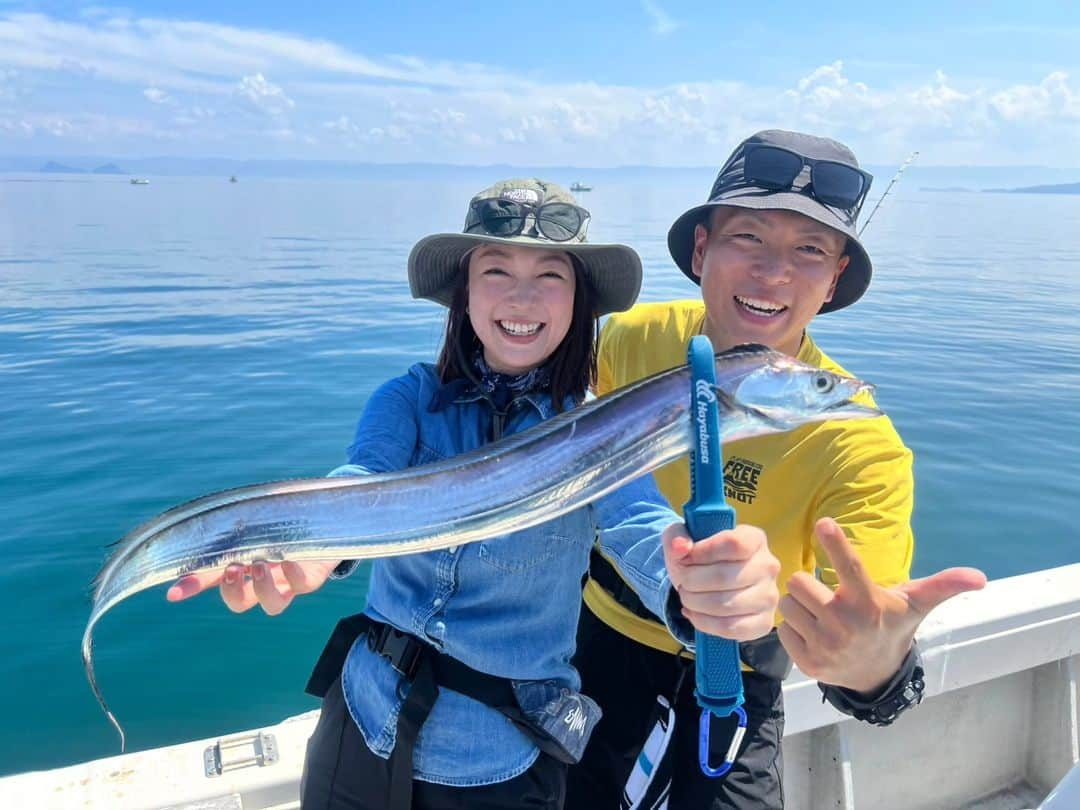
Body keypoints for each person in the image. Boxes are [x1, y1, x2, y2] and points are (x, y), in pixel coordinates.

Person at [167, 178, 783, 810]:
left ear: (578, 302)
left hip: (497, 761)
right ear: (464, 290)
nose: (521, 296)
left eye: (550, 275)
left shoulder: (598, 428)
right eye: (495, 270)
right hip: (360, 719)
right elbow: (361, 484)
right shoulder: (406, 398)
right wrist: (309, 549)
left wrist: (701, 584)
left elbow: (638, 524)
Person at [565, 131, 987, 809]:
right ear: (701, 250)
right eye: (749, 238)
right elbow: (545, 419)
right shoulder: (632, 338)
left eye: (810, 251)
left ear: (834, 280)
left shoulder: (860, 442)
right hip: (595, 645)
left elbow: (866, 619)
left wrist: (874, 667)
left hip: (738, 682)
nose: (773, 274)